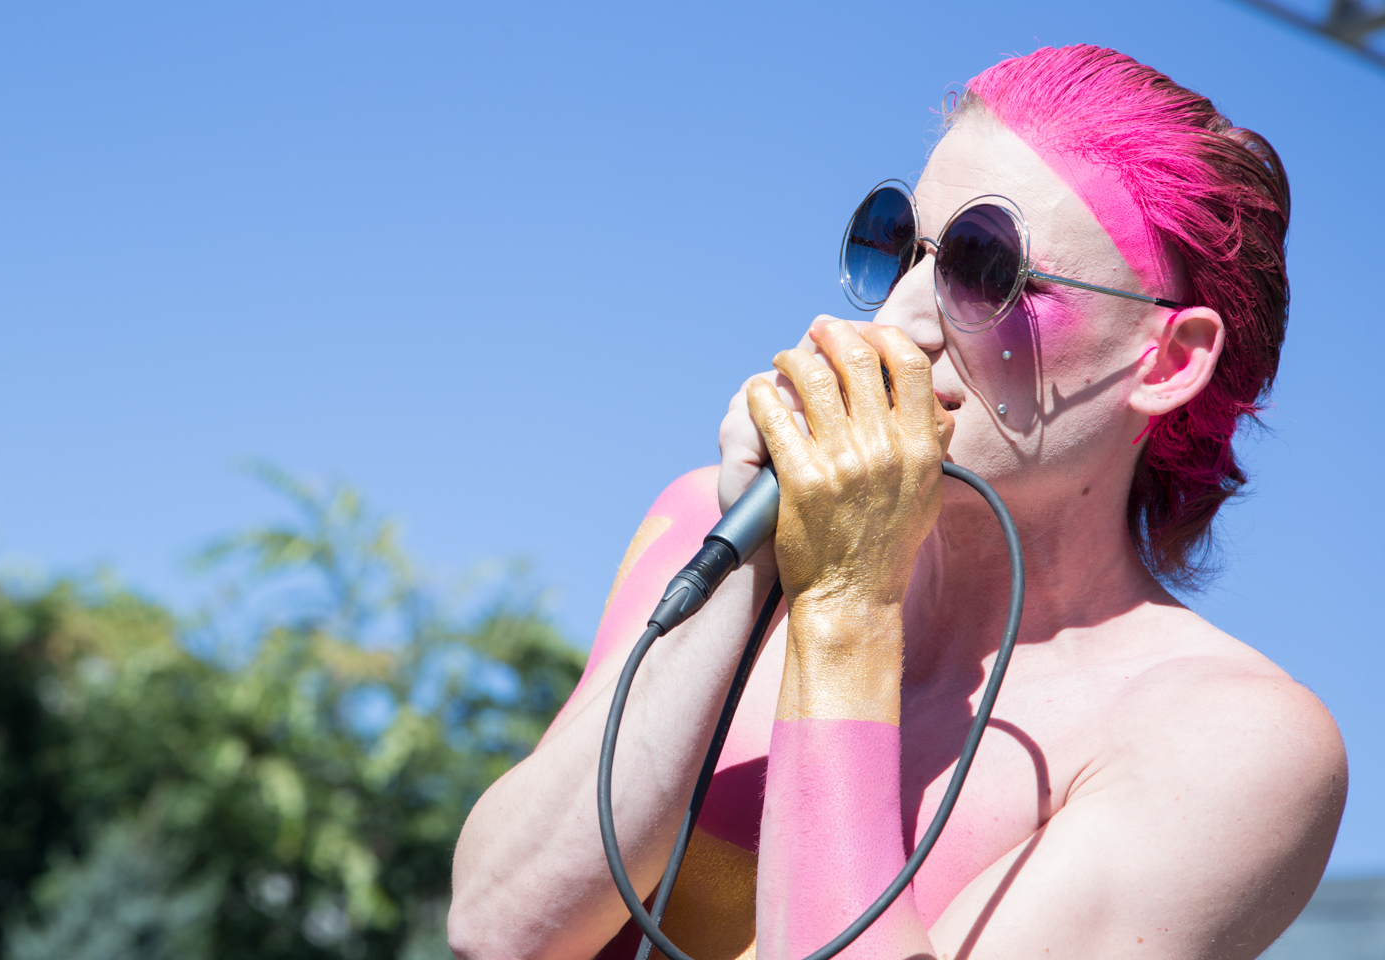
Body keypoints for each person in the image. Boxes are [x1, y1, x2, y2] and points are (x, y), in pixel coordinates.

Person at [448, 45, 1347, 960]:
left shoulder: (1228, 740)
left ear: (1168, 361)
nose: (900, 321)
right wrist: (754, 561)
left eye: (987, 270)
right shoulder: (703, 520)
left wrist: (846, 610)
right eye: (898, 247)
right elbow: (500, 927)